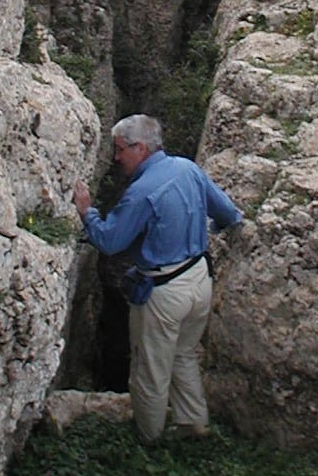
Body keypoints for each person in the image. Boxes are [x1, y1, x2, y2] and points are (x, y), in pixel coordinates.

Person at [72, 114, 244, 445]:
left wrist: (87, 212)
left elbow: (110, 241)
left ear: (141, 148)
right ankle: (194, 425)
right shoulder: (188, 168)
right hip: (199, 279)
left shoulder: (142, 191)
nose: (117, 157)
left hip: (164, 293)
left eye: (121, 149)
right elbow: (226, 211)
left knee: (150, 370)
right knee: (183, 353)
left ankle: (148, 441)